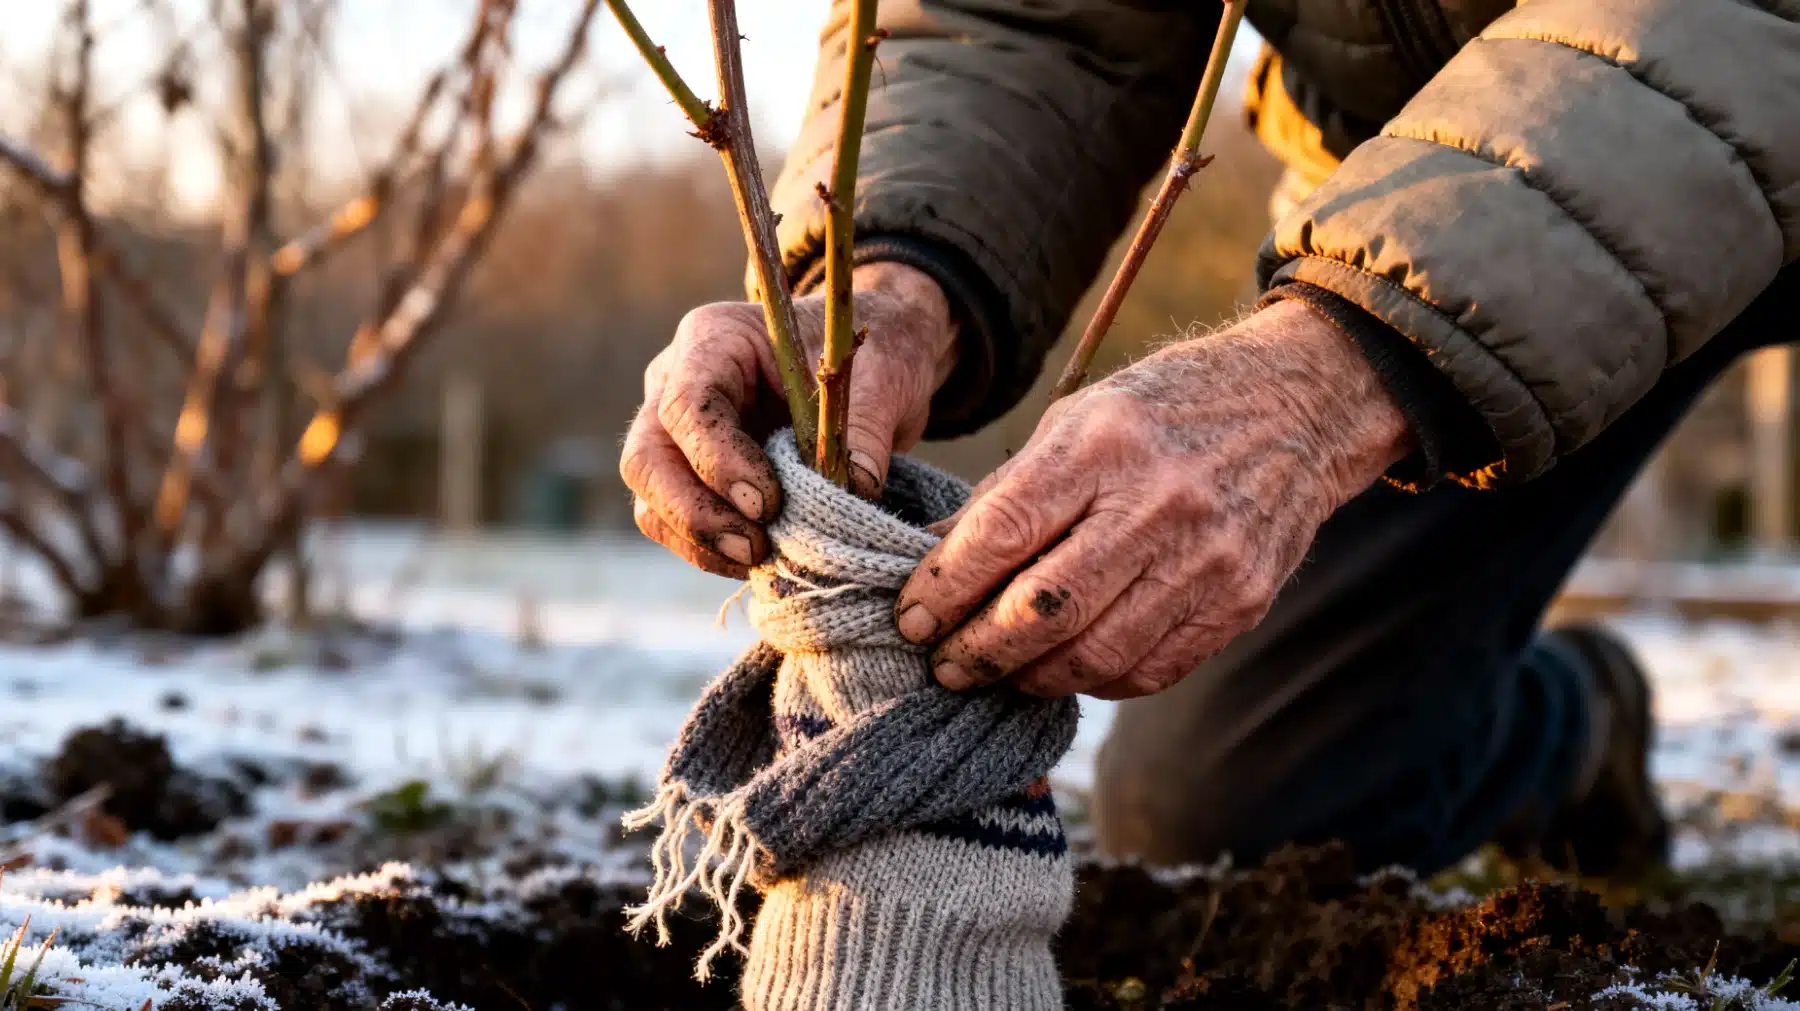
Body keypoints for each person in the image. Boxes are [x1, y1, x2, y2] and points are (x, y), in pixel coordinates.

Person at [622, 0, 1800, 880]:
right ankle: (1585, 725)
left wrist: (1323, 381)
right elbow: (1027, 14)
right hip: (1465, 213)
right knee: (1240, 806)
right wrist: (893, 271)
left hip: (1666, 132)